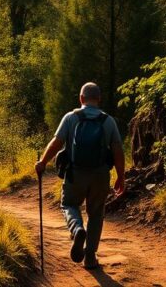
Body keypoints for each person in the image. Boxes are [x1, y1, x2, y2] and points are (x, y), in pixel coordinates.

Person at [34, 82, 125, 270]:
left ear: (81, 99)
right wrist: (121, 176)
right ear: (99, 99)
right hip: (100, 174)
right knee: (96, 214)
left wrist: (42, 163)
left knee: (68, 204)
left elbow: (57, 142)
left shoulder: (71, 117)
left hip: (75, 174)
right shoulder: (108, 121)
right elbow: (117, 150)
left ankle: (77, 229)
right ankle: (90, 257)